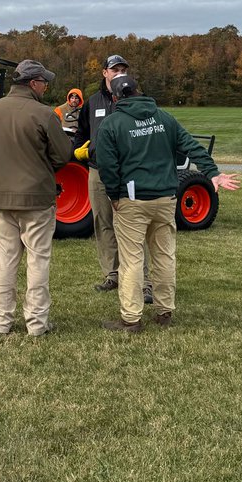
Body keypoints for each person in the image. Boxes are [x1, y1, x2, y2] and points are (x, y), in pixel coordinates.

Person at [95, 73, 240, 332]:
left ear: (115, 97)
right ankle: (164, 312)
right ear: (139, 91)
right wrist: (212, 173)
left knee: (131, 260)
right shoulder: (164, 118)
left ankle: (131, 318)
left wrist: (114, 196)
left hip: (132, 200)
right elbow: (191, 146)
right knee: (164, 256)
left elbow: (107, 165)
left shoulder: (111, 124)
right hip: (165, 198)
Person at [0, 59, 73, 336]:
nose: (46, 86)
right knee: (38, 259)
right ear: (33, 83)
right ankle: (37, 324)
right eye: (44, 81)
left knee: (5, 260)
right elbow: (63, 155)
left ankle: (1, 321)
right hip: (36, 199)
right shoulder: (44, 114)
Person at [74, 54, 152, 303]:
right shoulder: (92, 101)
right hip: (97, 171)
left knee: (134, 227)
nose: (118, 72)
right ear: (104, 73)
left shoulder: (136, 100)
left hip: (128, 171)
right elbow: (81, 133)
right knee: (103, 222)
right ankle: (113, 273)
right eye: (114, 69)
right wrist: (81, 151)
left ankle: (145, 282)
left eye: (122, 69)